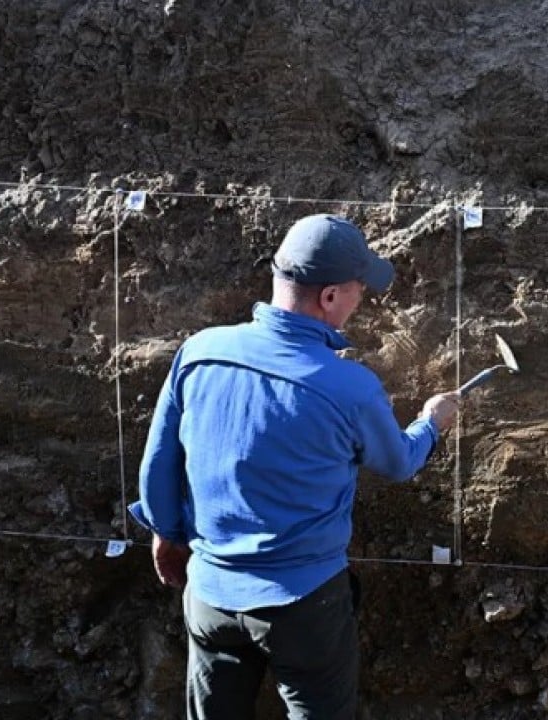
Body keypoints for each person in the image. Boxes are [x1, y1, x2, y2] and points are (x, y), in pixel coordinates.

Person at [129, 214, 459, 720]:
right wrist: (431, 423)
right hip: (303, 603)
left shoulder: (200, 353)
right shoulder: (349, 387)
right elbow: (397, 462)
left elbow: (159, 463)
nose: (359, 301)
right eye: (357, 290)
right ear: (329, 297)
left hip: (210, 594)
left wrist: (168, 532)